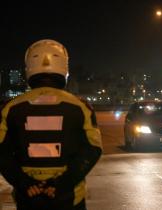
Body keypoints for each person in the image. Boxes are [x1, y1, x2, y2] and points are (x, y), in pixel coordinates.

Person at [0, 39, 103, 210]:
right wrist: (61, 184)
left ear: (29, 68)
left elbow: (1, 153)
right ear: (64, 67)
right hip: (70, 198)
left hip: (27, 198)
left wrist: (25, 183)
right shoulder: (81, 108)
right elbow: (93, 149)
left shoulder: (10, 108)